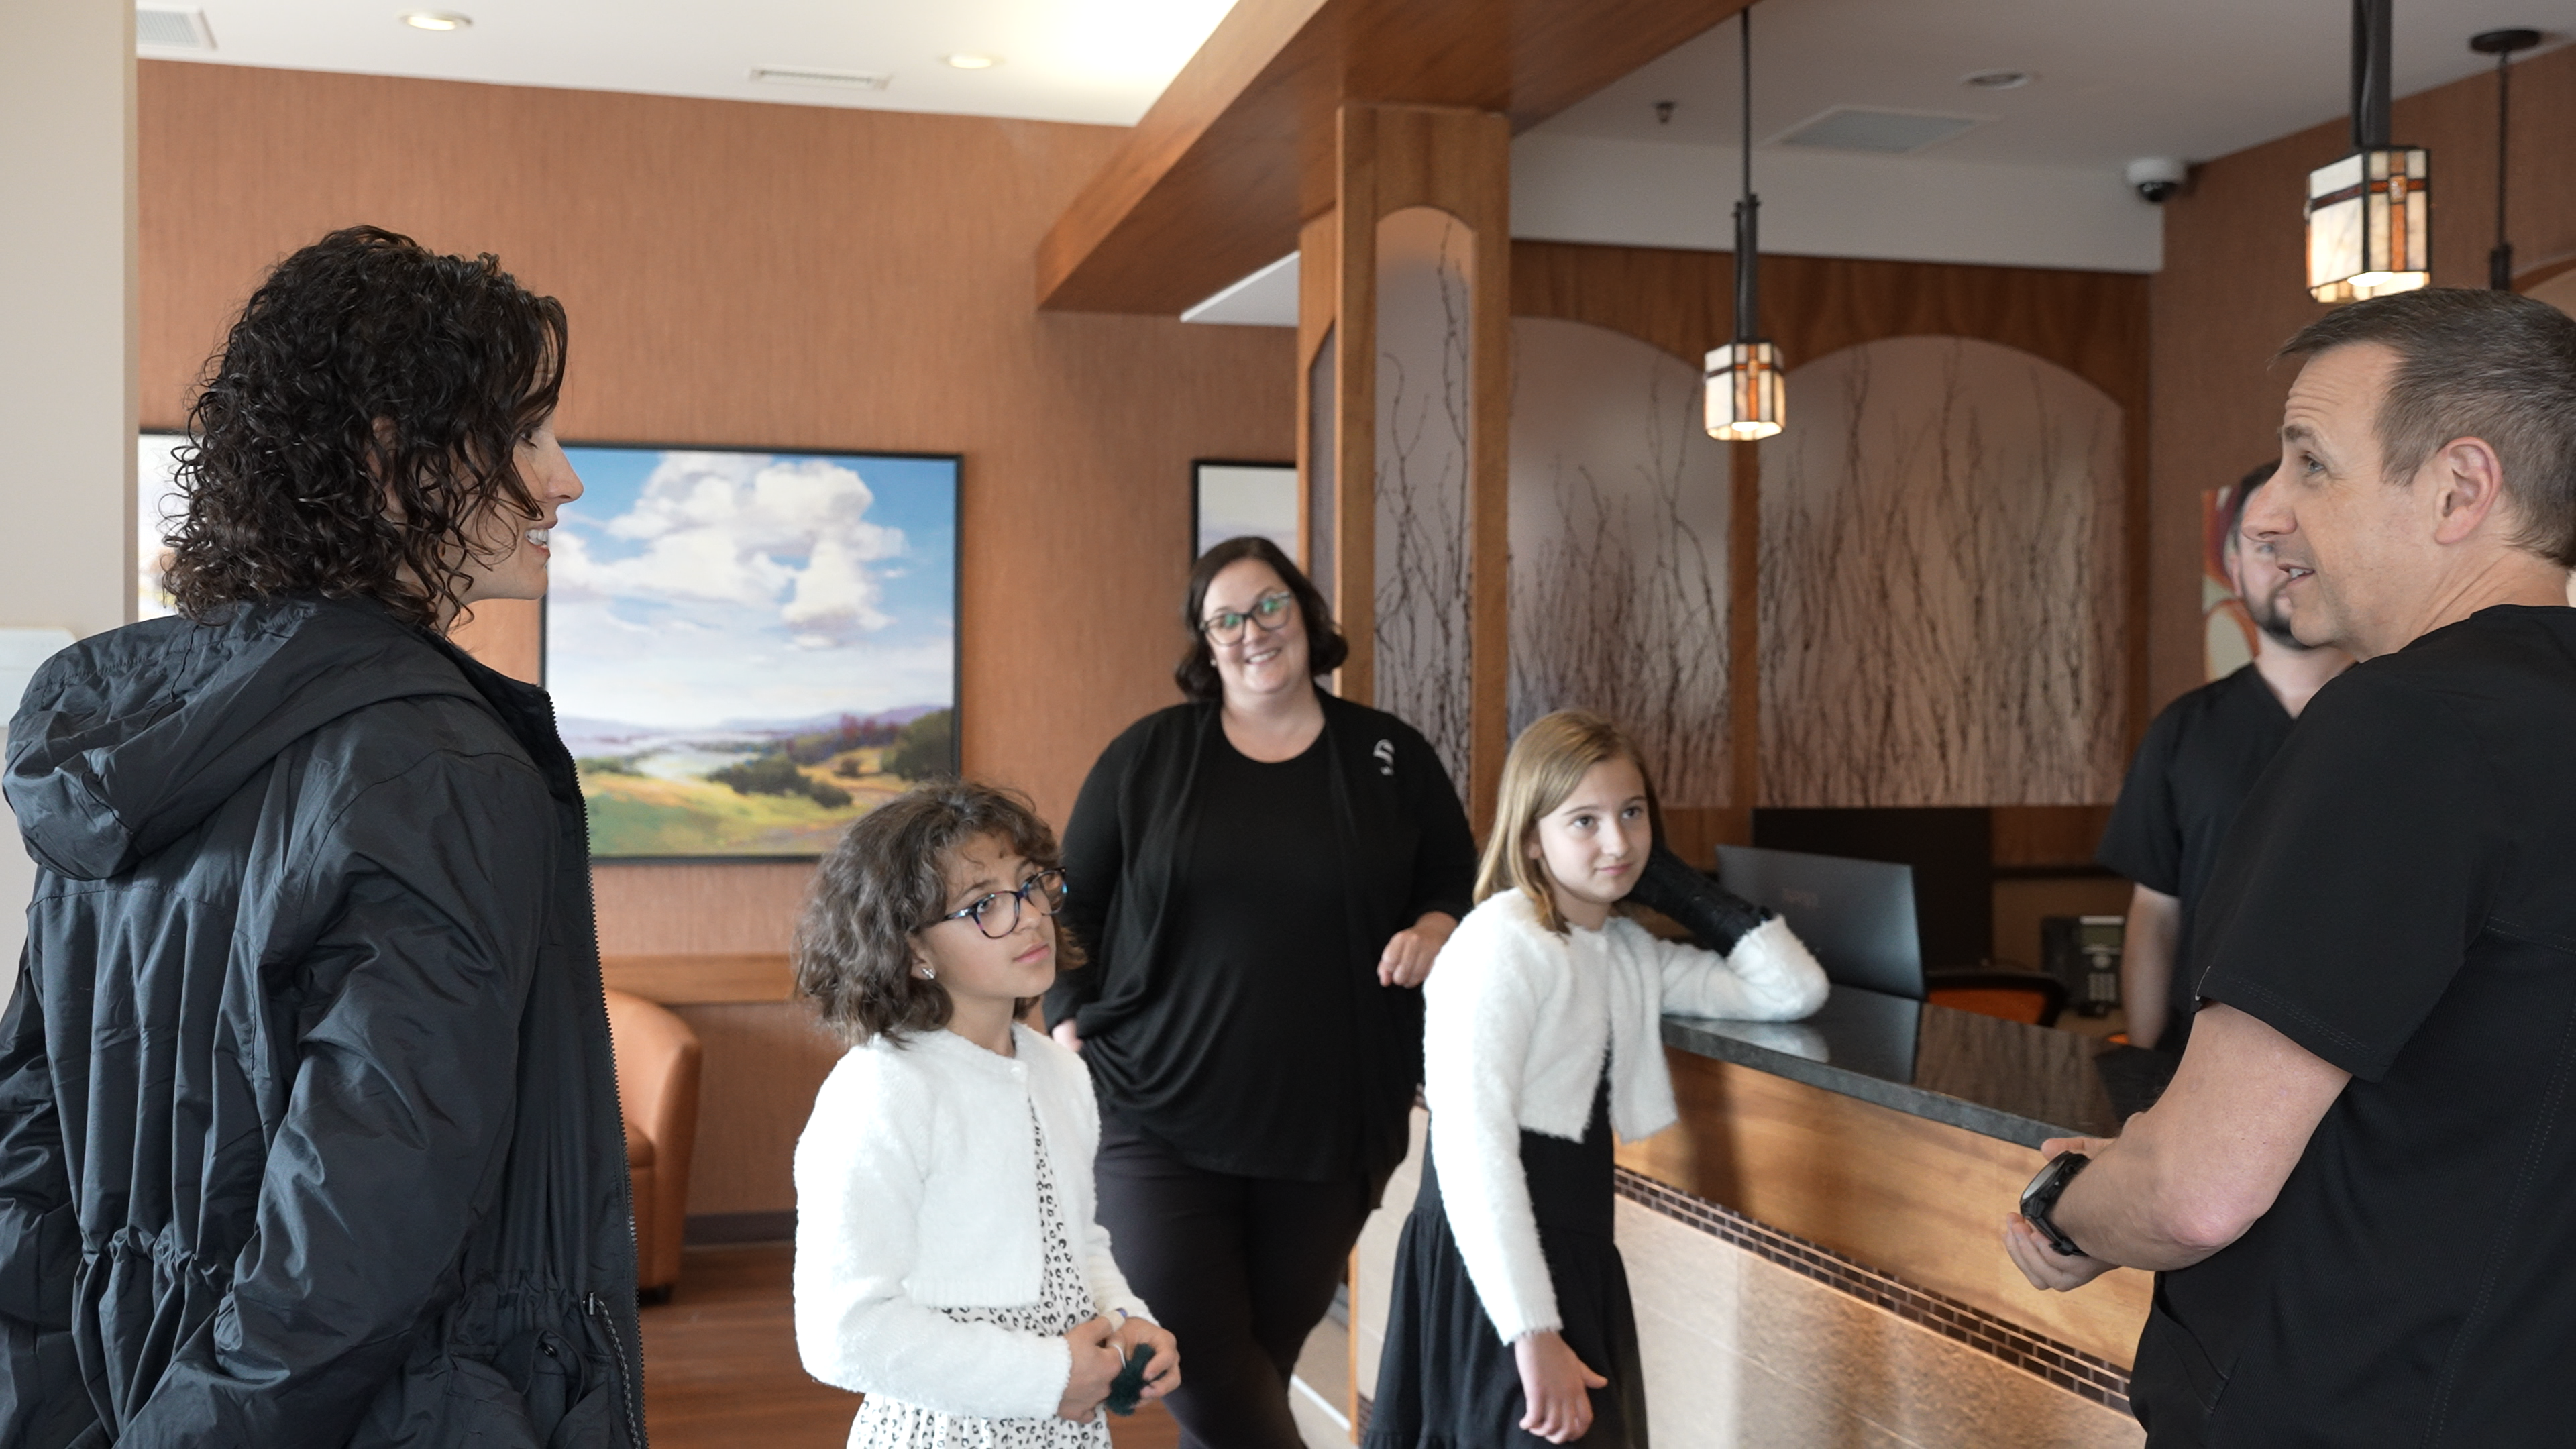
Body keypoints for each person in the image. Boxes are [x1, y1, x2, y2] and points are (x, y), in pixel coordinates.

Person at [0, 227, 643, 1444]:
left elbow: (32, 1139)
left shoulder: (117, 737)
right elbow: (361, 1216)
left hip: (112, 1384)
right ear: (396, 458)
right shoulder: (441, 767)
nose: (562, 481)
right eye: (523, 434)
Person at [2001, 287, 2576, 1446]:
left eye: (2311, 462)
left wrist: (2068, 1204)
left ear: (2462, 489)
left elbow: (2195, 1190)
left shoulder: (2403, 724)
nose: (2274, 506)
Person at [1042, 536, 1477, 1448]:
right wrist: (1068, 1012)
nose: (1251, 632)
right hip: (1155, 1109)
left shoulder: (1388, 754)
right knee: (1194, 1356)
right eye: (1225, 619)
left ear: (1307, 615)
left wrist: (1435, 928)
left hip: (1330, 1121)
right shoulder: (1149, 757)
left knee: (1257, 1372)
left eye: (1269, 606)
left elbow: (1451, 878)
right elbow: (1072, 900)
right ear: (1205, 645)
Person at [1368, 711, 1828, 1448]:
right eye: (1584, 821)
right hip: (1496, 1267)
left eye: (1633, 813)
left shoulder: (1622, 953)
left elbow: (1790, 990)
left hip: (1571, 1253)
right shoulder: (1497, 944)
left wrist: (1671, 880)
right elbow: (1471, 1148)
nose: (1617, 841)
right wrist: (1531, 1331)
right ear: (1530, 839)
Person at [790, 780, 1179, 1445]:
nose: (1029, 916)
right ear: (914, 950)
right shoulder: (881, 1090)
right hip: (944, 1430)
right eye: (983, 905)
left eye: (1031, 886)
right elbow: (840, 1331)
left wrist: (1126, 1316)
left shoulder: (1059, 1070)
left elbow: (1079, 1243)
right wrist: (1050, 1373)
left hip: (1069, 1428)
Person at [2096, 462, 2351, 1052]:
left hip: (2356, 1067)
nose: (2288, 561)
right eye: (2265, 545)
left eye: (2308, 541)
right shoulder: (2184, 731)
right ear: (2233, 567)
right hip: (2201, 1061)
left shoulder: (2404, 723)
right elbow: (2156, 916)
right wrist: (2144, 1060)